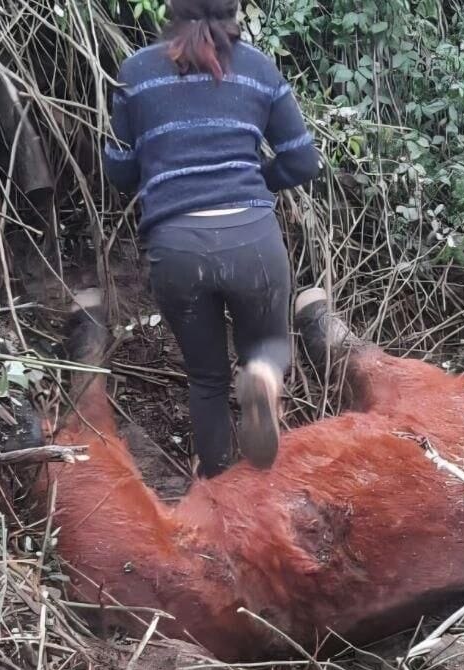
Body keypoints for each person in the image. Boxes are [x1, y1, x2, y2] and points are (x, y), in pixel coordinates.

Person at [102, 0, 319, 476]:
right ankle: (261, 376)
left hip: (177, 245)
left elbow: (117, 169)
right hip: (251, 239)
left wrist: (166, 173)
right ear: (236, 8)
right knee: (268, 348)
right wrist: (254, 179)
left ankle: (217, 485)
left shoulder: (136, 72)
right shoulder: (258, 68)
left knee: (205, 379)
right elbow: (303, 161)